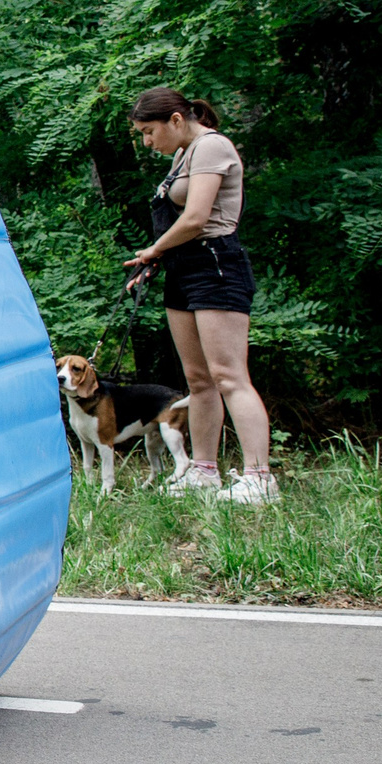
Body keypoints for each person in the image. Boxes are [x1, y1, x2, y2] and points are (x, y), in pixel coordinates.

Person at [125, 87, 274, 504]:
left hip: (216, 265)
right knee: (198, 380)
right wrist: (153, 262)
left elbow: (195, 218)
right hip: (184, 267)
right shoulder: (182, 155)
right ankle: (204, 471)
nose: (147, 142)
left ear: (176, 119)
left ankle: (260, 479)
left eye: (149, 131)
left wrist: (155, 249)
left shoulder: (212, 147)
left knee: (229, 375)